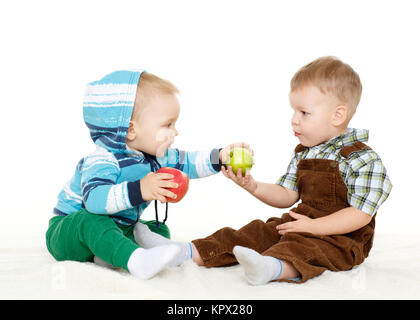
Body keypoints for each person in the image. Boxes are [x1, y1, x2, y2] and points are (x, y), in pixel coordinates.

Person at [134, 56, 393, 284]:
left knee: (307, 249)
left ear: (337, 116)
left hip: (342, 238)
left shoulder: (361, 159)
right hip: (300, 223)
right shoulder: (306, 151)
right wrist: (253, 186)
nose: (294, 119)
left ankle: (272, 268)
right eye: (294, 110)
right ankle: (184, 252)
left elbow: (360, 215)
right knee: (257, 231)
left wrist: (315, 228)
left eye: (304, 112)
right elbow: (287, 195)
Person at [45, 70, 248, 280]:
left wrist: (221, 157)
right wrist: (141, 189)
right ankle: (136, 260)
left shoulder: (155, 156)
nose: (175, 132)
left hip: (116, 226)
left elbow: (188, 162)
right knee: (91, 222)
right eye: (167, 125)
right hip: (69, 233)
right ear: (131, 130)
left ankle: (108, 254)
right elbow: (95, 201)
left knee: (159, 229)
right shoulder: (103, 160)